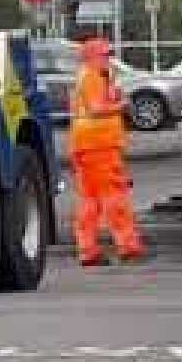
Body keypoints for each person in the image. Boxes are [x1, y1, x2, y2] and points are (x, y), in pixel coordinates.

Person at [69, 37, 144, 266]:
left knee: (90, 201)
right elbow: (96, 109)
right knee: (114, 197)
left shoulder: (93, 76)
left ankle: (88, 250)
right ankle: (128, 246)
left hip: (86, 146)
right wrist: (122, 105)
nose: (109, 59)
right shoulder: (92, 76)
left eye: (110, 54)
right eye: (105, 55)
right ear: (91, 57)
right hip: (100, 146)